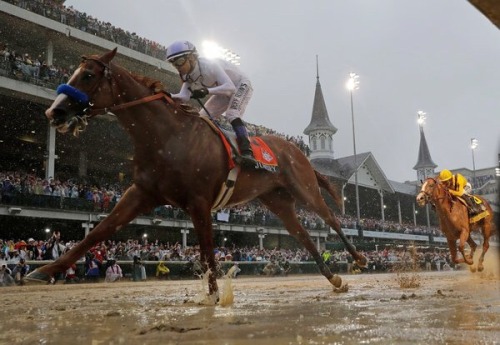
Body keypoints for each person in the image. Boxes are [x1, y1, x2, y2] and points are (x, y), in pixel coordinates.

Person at [165, 40, 257, 166]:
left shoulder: (209, 65)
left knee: (232, 113)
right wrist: (166, 95)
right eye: (174, 64)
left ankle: (247, 151)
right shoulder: (187, 75)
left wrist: (206, 91)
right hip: (223, 89)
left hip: (240, 84)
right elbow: (183, 97)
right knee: (202, 117)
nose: (178, 67)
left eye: (180, 62)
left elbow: (230, 87)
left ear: (191, 58)